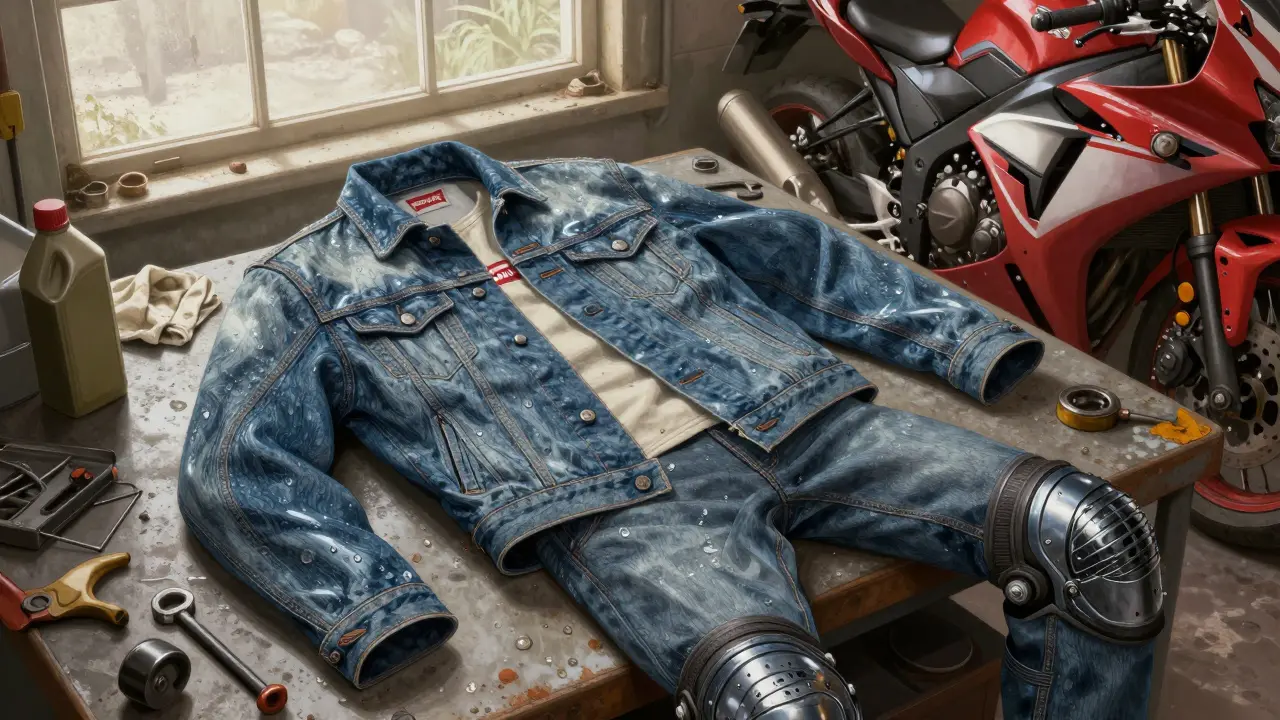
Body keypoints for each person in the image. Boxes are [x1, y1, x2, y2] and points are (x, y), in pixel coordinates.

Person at [179, 142, 1161, 719]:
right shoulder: (308, 281)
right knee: (778, 704)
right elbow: (233, 467)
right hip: (623, 509)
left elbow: (784, 247)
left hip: (798, 415)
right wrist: (370, 603)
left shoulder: (588, 187)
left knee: (1091, 536)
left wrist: (955, 338)